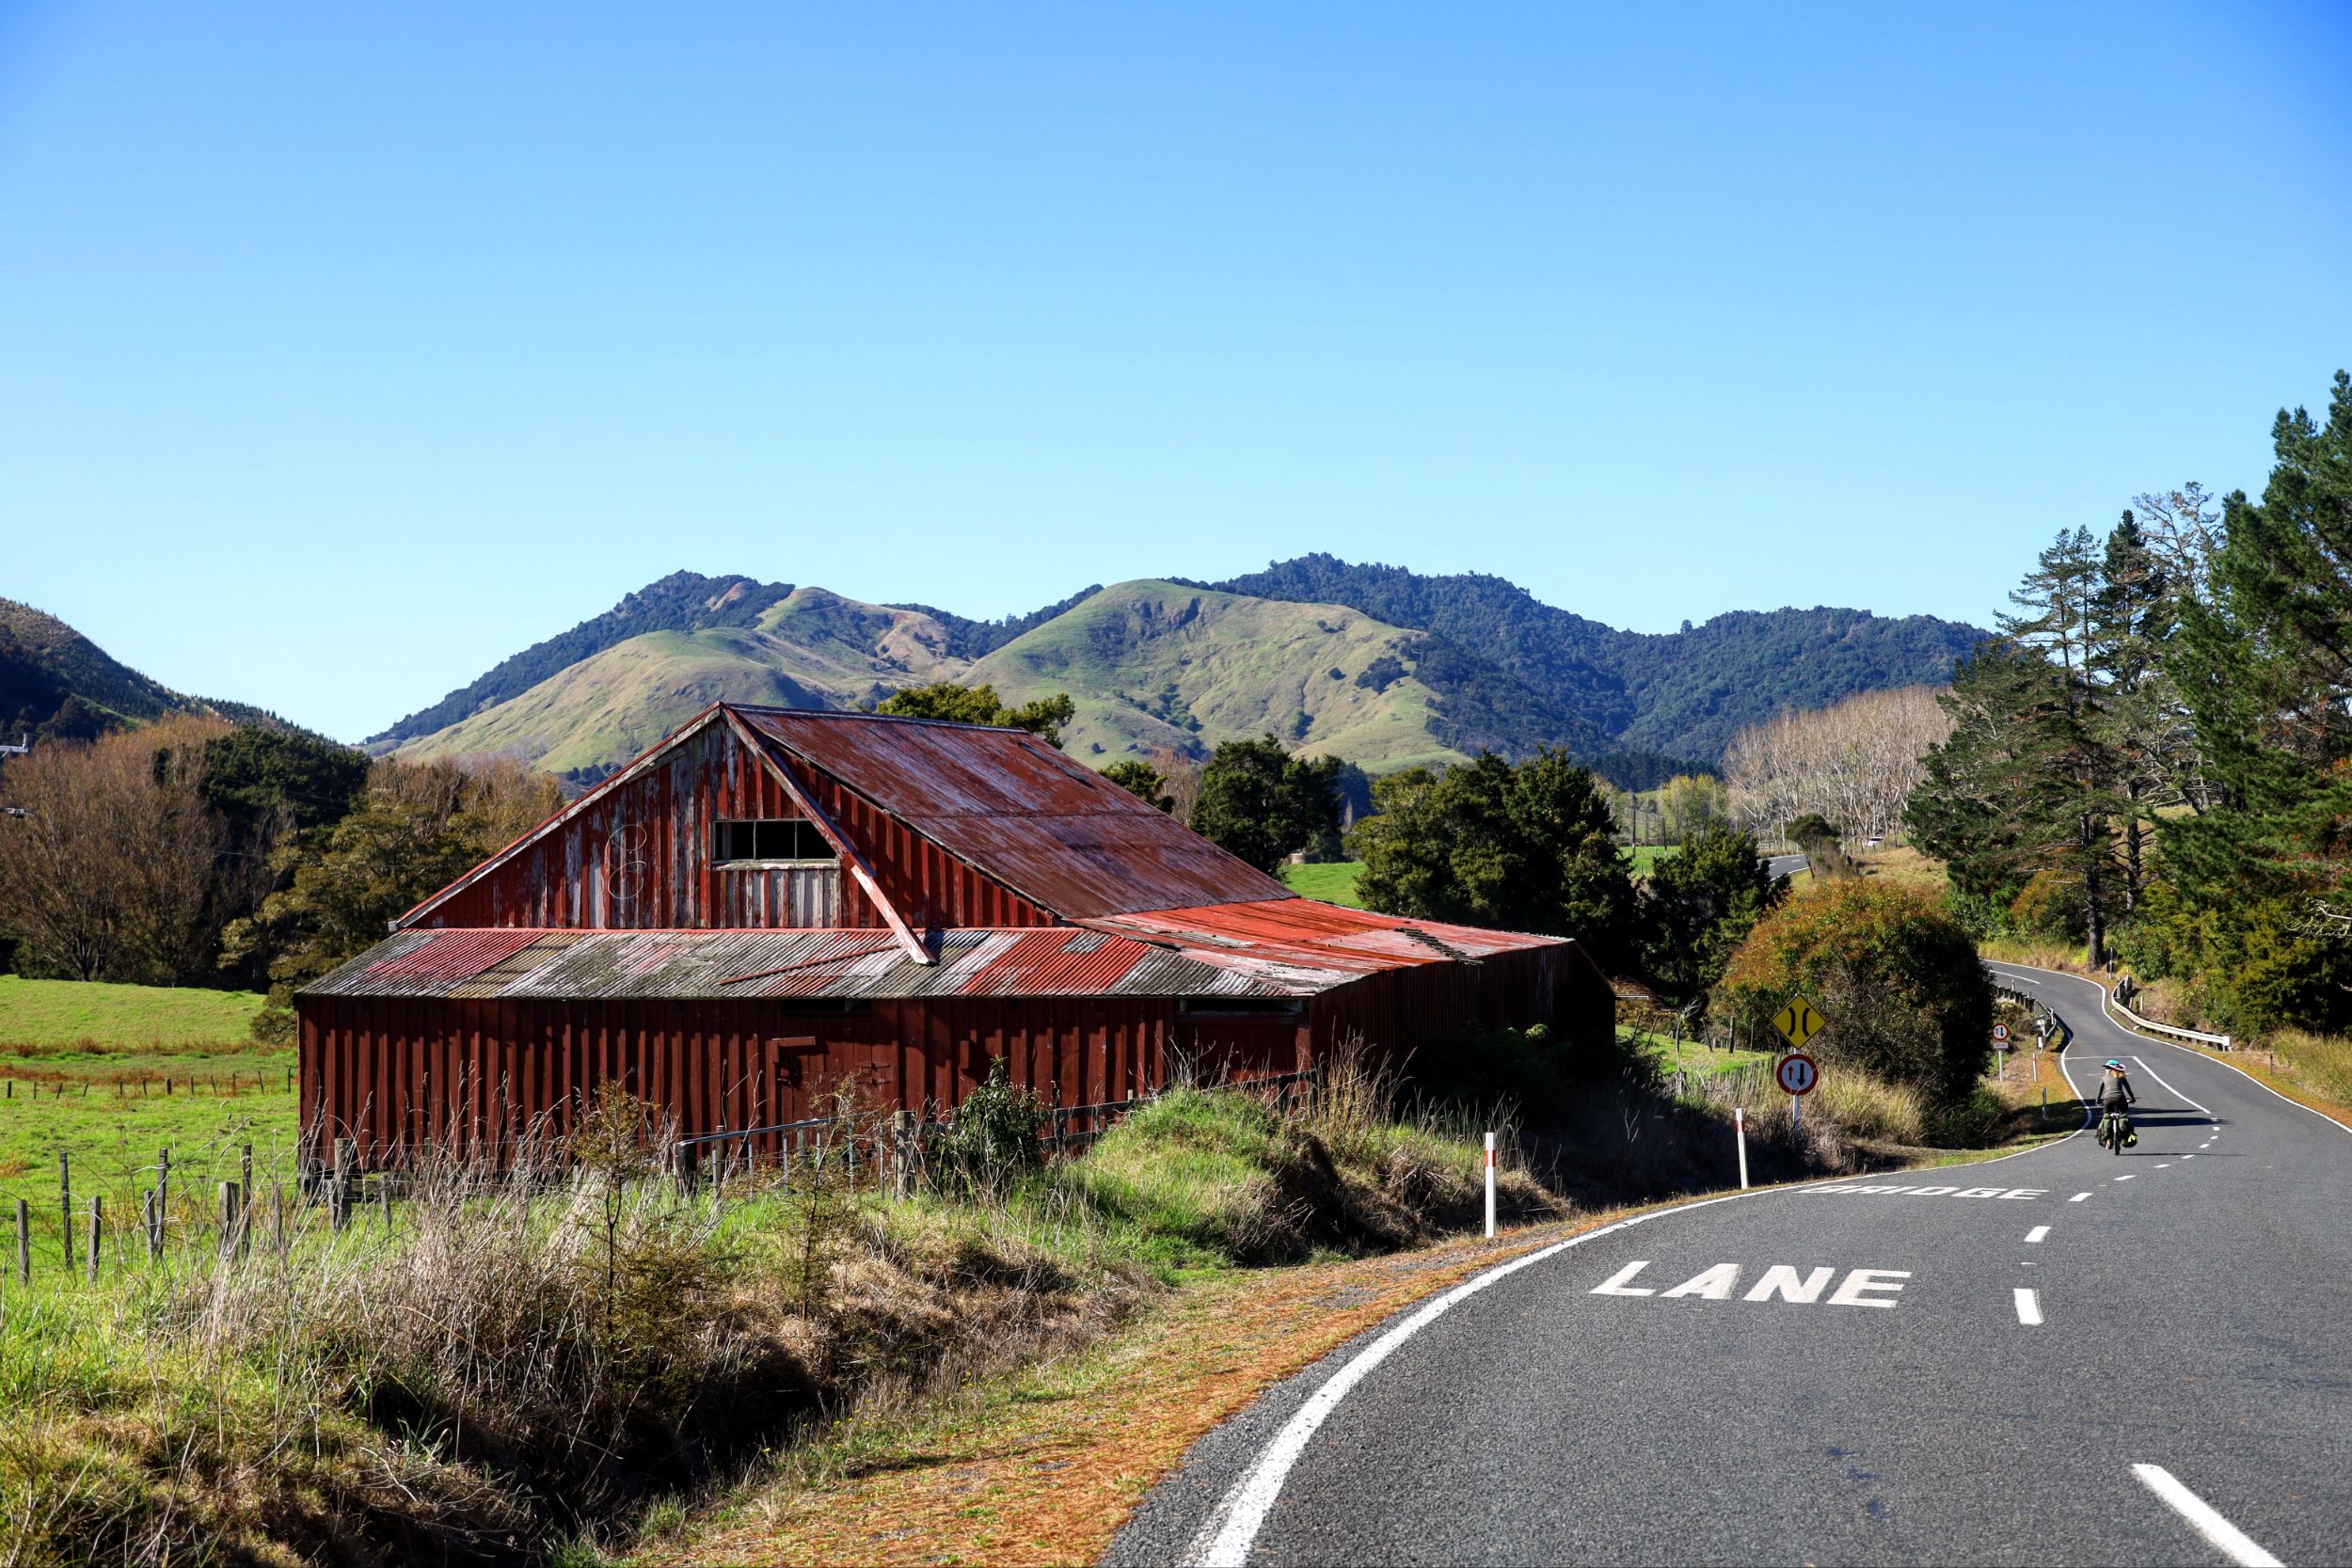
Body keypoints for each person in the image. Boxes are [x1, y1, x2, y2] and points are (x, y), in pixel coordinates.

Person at [2094, 1058, 2137, 1147]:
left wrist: (2097, 1100)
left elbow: (2100, 1091)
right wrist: (2132, 1099)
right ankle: (2125, 1135)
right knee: (2124, 1115)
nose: (2105, 1069)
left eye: (2106, 1067)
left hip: (2108, 1100)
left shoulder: (2104, 1077)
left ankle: (2108, 1139)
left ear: (2110, 1069)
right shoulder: (2121, 1076)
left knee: (2106, 1117)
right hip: (2121, 1099)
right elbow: (2128, 1089)